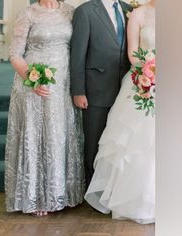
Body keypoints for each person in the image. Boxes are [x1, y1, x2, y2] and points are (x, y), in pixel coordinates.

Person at [5, 0, 85, 217]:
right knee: (38, 136)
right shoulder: (28, 14)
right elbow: (14, 54)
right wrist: (32, 79)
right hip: (33, 85)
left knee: (58, 135)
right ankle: (37, 197)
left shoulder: (71, 12)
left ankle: (62, 193)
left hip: (63, 84)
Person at [85, 0, 155, 224]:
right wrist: (149, 70)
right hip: (144, 82)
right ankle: (137, 202)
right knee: (137, 144)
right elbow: (133, 53)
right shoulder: (138, 14)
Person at [70, 0, 133, 188]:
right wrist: (78, 90)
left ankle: (112, 188)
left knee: (116, 144)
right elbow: (77, 54)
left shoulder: (128, 9)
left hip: (125, 89)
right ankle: (92, 191)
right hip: (95, 88)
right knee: (94, 141)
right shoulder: (85, 11)